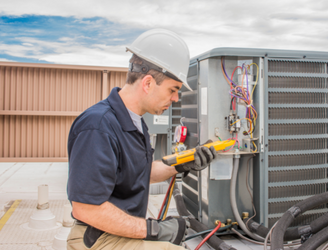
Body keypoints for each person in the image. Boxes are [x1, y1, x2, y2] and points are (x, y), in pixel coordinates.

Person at [66, 29, 217, 250]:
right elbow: (86, 208)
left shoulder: (134, 122)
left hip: (116, 232)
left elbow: (140, 174)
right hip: (98, 238)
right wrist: (152, 230)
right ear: (147, 83)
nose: (175, 98)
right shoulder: (98, 127)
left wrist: (183, 162)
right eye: (173, 90)